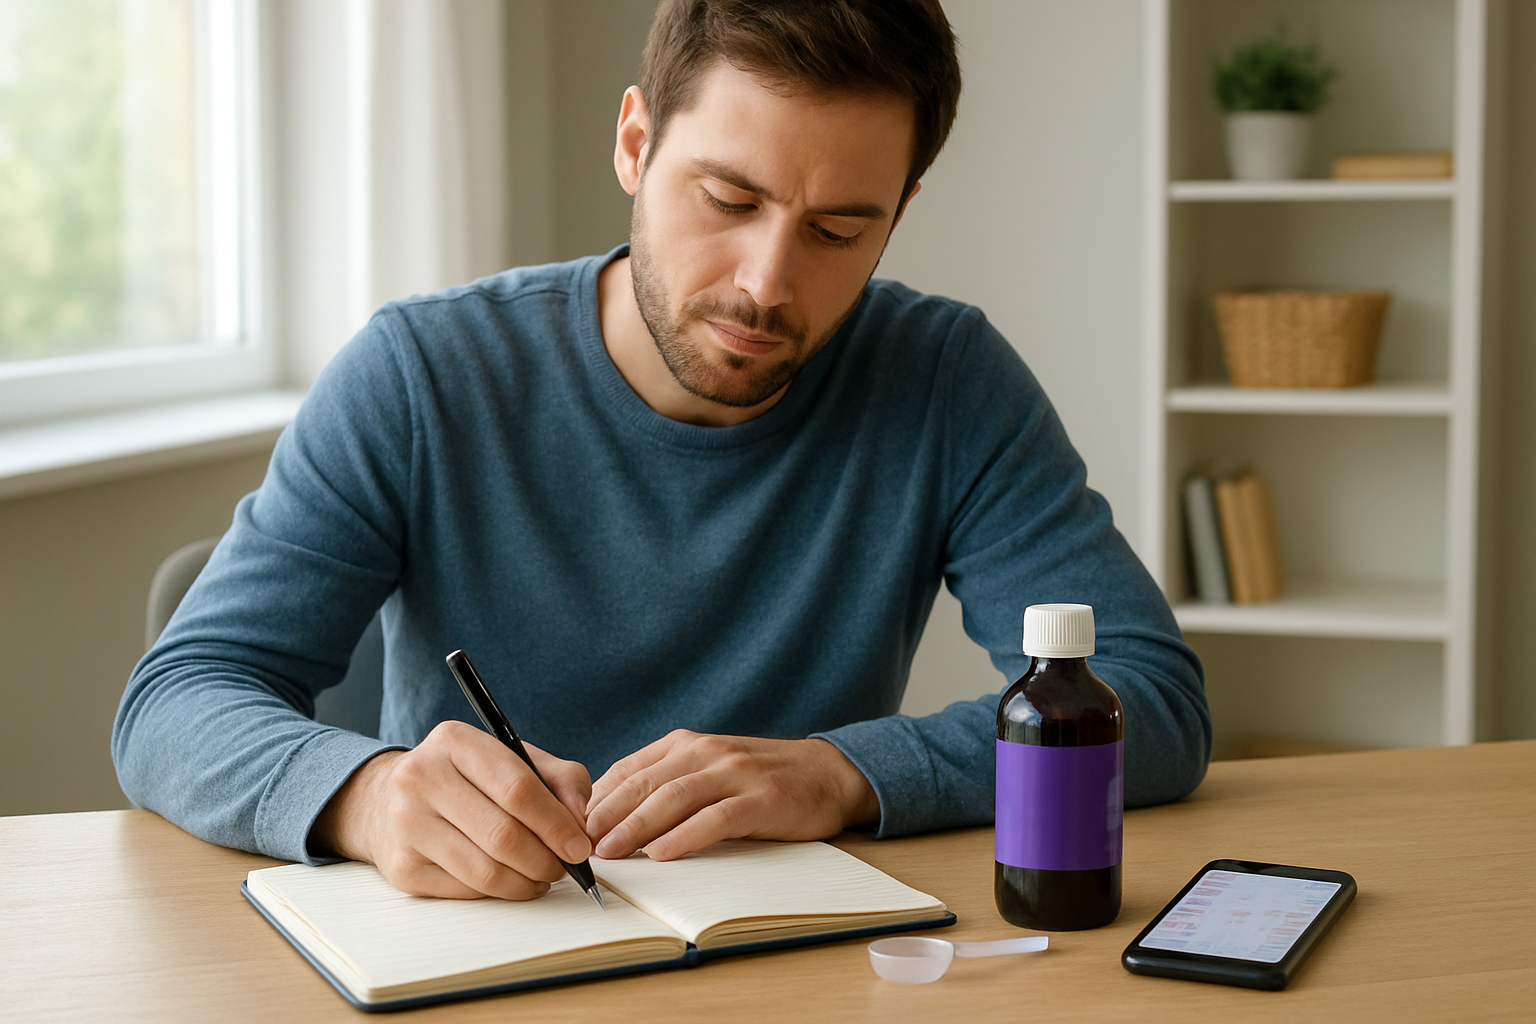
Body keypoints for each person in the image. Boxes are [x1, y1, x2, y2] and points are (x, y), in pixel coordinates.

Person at [114, 0, 1210, 902]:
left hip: (790, 959)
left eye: (838, 232)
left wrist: (843, 772)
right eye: (728, 198)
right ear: (636, 143)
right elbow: (177, 700)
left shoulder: (945, 378)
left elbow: (1147, 696)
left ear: (899, 212)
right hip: (477, 947)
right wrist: (366, 792)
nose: (766, 282)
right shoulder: (423, 372)